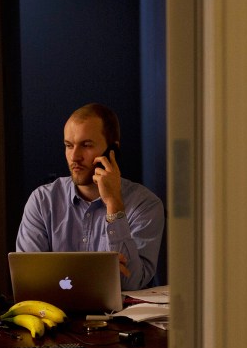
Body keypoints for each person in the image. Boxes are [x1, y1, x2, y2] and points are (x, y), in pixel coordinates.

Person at [15, 103, 165, 291]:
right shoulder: (42, 201)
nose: (74, 156)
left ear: (113, 151)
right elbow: (30, 280)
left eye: (86, 145)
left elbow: (130, 283)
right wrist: (97, 271)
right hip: (55, 316)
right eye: (69, 146)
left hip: (119, 317)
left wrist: (114, 205)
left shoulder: (146, 205)